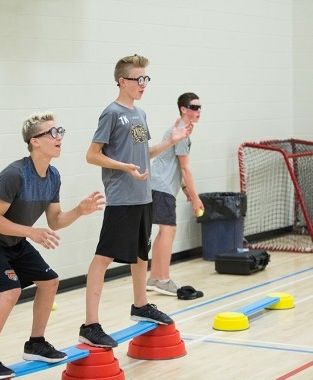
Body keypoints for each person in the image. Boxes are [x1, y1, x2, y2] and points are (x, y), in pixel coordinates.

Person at [79, 54, 193, 348]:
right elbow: (92, 155)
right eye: (137, 79)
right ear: (122, 81)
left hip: (144, 197)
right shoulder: (111, 113)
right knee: (103, 258)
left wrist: (171, 140)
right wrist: (124, 167)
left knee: (141, 255)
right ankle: (90, 324)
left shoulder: (140, 115)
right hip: (121, 198)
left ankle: (140, 305)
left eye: (146, 79)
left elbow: (145, 154)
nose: (143, 84)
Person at [0, 112, 105, 379]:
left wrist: (79, 211)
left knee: (49, 281)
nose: (58, 136)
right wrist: (31, 232)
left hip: (14, 240)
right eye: (51, 132)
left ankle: (35, 343)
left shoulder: (53, 176)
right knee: (10, 291)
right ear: (34, 141)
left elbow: (55, 221)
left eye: (59, 131)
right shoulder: (14, 175)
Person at [146, 92, 204, 296]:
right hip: (161, 187)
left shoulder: (180, 131)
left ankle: (154, 278)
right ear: (183, 109)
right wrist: (196, 198)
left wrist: (187, 190)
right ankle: (163, 279)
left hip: (161, 186)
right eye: (194, 107)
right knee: (168, 230)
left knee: (165, 231)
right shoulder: (180, 133)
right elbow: (186, 169)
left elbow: (176, 168)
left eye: (200, 107)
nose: (198, 111)